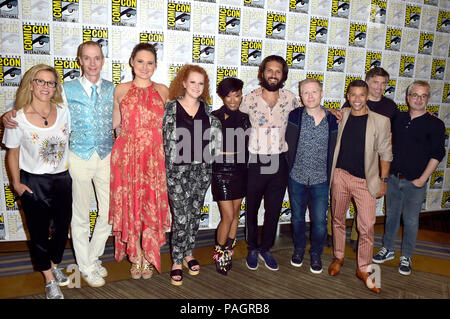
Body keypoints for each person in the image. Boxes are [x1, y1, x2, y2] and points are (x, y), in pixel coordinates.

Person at [2, 42, 114, 288]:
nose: (93, 63)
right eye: (87, 58)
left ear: (103, 60)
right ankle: (85, 266)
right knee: (80, 216)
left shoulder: (112, 88)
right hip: (78, 157)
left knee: (108, 213)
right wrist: (7, 115)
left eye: (97, 58)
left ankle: (93, 257)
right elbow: (35, 108)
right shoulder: (66, 90)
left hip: (106, 156)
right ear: (79, 61)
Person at [3, 64, 72, 299]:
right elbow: (12, 153)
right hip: (34, 181)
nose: (45, 86)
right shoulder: (18, 118)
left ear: (55, 87)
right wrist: (16, 184)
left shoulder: (63, 110)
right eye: (40, 81)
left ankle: (53, 264)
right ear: (31, 84)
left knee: (62, 229)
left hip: (62, 179)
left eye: (50, 83)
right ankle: (49, 278)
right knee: (39, 233)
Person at [109, 43, 171, 280]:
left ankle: (148, 253)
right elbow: (115, 125)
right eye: (141, 61)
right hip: (127, 158)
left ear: (155, 65)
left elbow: (171, 127)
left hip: (155, 158)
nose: (145, 67)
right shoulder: (121, 89)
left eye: (150, 62)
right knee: (131, 204)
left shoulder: (164, 91)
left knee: (149, 207)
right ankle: (136, 256)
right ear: (132, 62)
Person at [373, 81, 445, 276]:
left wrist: (422, 179)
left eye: (423, 96)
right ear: (407, 97)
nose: (419, 99)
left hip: (416, 182)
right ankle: (387, 249)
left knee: (411, 221)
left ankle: (406, 256)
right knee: (392, 217)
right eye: (415, 95)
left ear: (428, 99)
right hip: (394, 179)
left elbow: (438, 154)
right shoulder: (398, 117)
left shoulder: (436, 124)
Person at [328, 80, 392, 294]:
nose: (357, 99)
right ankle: (338, 257)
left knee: (367, 228)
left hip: (366, 182)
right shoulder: (342, 115)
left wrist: (383, 180)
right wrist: (330, 110)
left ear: (367, 97)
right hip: (340, 176)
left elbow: (386, 153)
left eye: (361, 95)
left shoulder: (381, 121)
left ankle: (364, 269)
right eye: (353, 95)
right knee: (337, 220)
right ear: (348, 96)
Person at [326, 67, 398, 251]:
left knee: (365, 222)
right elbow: (333, 118)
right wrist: (331, 110)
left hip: (367, 173)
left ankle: (358, 246)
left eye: (383, 83)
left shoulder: (389, 107)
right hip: (342, 172)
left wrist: (384, 179)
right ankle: (335, 247)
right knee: (337, 215)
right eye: (375, 82)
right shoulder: (347, 110)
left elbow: (389, 141)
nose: (379, 87)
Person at [163, 64, 221, 286]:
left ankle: (188, 253)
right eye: (193, 82)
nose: (197, 86)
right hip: (177, 172)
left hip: (201, 172)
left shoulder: (208, 111)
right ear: (184, 83)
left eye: (201, 83)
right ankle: (177, 260)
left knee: (194, 214)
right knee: (181, 216)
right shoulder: (170, 108)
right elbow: (164, 142)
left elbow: (215, 143)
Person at [240, 55, 300, 271]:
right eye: (269, 70)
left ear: (283, 75)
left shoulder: (291, 99)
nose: (273, 75)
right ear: (262, 73)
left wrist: (333, 112)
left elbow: (308, 114)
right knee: (253, 207)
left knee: (273, 209)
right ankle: (252, 248)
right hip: (256, 160)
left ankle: (266, 248)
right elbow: (235, 122)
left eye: (278, 71)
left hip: (279, 161)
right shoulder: (249, 99)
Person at [285, 78, 338, 274]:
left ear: (322, 93)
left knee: (320, 221)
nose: (310, 96)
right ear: (300, 95)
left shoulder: (332, 119)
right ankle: (299, 249)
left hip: (321, 180)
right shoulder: (294, 116)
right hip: (297, 177)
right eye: (305, 92)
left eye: (314, 92)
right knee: (297, 218)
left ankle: (316, 253)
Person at [211, 77, 250, 275]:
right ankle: (219, 254)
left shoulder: (245, 118)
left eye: (237, 95)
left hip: (241, 171)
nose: (233, 100)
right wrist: (231, 153)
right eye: (228, 96)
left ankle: (228, 252)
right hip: (221, 173)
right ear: (222, 97)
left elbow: (247, 148)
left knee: (235, 215)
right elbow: (209, 150)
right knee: (227, 216)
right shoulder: (214, 117)